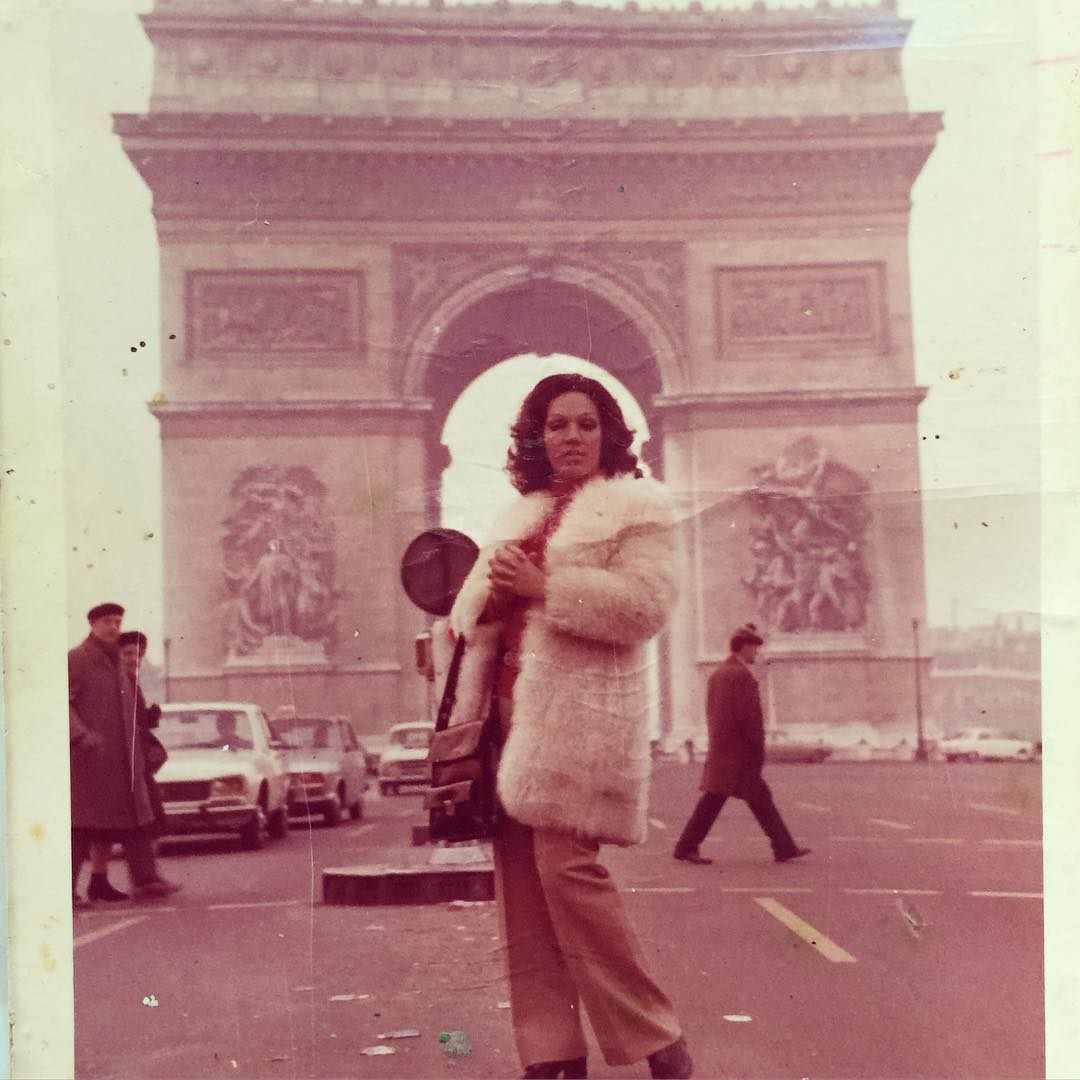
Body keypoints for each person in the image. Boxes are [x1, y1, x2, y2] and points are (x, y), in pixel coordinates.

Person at [448, 373, 693, 1080]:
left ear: (609, 433)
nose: (572, 438)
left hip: (578, 724)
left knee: (567, 873)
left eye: (587, 424)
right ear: (537, 436)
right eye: (557, 425)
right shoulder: (515, 515)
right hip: (503, 719)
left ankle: (658, 1037)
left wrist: (545, 588)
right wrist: (487, 597)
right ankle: (551, 1053)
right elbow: (466, 623)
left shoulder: (639, 509)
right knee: (522, 895)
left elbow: (645, 607)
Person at [673, 624, 811, 867]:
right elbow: (749, 719)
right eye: (754, 647)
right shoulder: (741, 676)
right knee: (729, 800)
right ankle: (686, 846)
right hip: (739, 756)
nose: (756, 652)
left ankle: (783, 847)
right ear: (744, 647)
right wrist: (758, 749)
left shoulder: (718, 674)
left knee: (750, 800)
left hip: (724, 751)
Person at [70, 603, 180, 904]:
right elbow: (60, 701)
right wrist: (80, 734)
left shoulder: (118, 664)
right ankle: (63, 890)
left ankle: (146, 880)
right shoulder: (77, 659)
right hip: (89, 761)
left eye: (118, 621)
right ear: (92, 623)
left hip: (124, 761)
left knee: (136, 821)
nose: (113, 627)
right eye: (107, 621)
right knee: (80, 827)